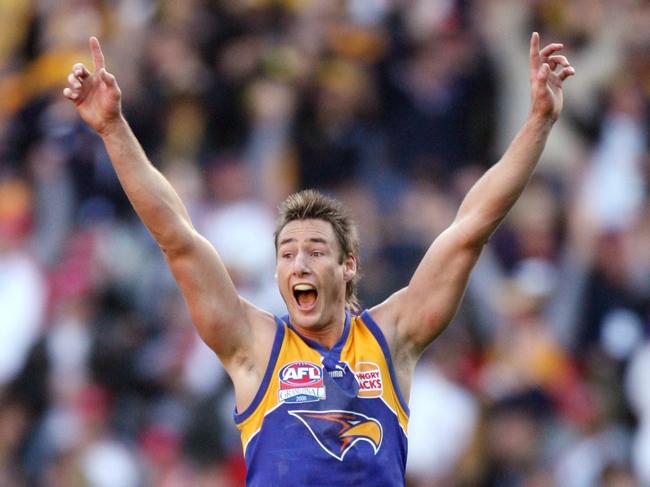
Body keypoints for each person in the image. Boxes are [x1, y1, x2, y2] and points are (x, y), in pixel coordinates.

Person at [63, 33, 574, 486]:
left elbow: (470, 229)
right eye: (287, 253)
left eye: (315, 251)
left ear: (348, 265)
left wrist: (538, 122)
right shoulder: (255, 347)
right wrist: (112, 129)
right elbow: (178, 238)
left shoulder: (390, 337)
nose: (299, 264)